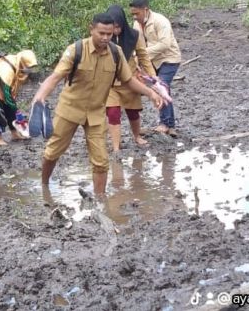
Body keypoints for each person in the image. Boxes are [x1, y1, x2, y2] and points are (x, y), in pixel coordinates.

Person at [31, 13, 164, 195]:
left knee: (101, 161)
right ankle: (44, 186)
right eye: (101, 33)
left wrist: (150, 92)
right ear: (91, 29)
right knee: (52, 152)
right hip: (69, 110)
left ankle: (100, 201)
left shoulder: (115, 53)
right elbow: (55, 78)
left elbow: (128, 80)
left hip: (96, 113)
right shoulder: (76, 50)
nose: (105, 38)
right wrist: (39, 97)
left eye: (109, 34)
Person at [105, 5, 158, 152]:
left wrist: (153, 77)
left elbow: (143, 56)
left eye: (117, 27)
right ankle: (116, 146)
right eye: (112, 27)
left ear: (122, 24)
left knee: (133, 112)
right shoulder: (104, 37)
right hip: (110, 83)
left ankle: (137, 136)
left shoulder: (134, 35)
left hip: (130, 81)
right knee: (113, 112)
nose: (114, 31)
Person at [129, 0, 182, 137]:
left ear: (145, 10)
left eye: (137, 14)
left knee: (162, 86)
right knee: (159, 87)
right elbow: (138, 45)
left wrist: (142, 54)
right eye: (132, 14)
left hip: (169, 58)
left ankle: (165, 123)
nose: (134, 17)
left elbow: (165, 44)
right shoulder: (136, 24)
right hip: (152, 60)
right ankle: (170, 125)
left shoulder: (161, 21)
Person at [0, 49, 39, 145]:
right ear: (22, 62)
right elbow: (7, 94)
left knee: (9, 108)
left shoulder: (15, 62)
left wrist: (14, 107)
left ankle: (14, 134)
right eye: (28, 66)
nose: (28, 69)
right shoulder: (7, 70)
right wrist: (16, 110)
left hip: (0, 84)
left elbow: (12, 88)